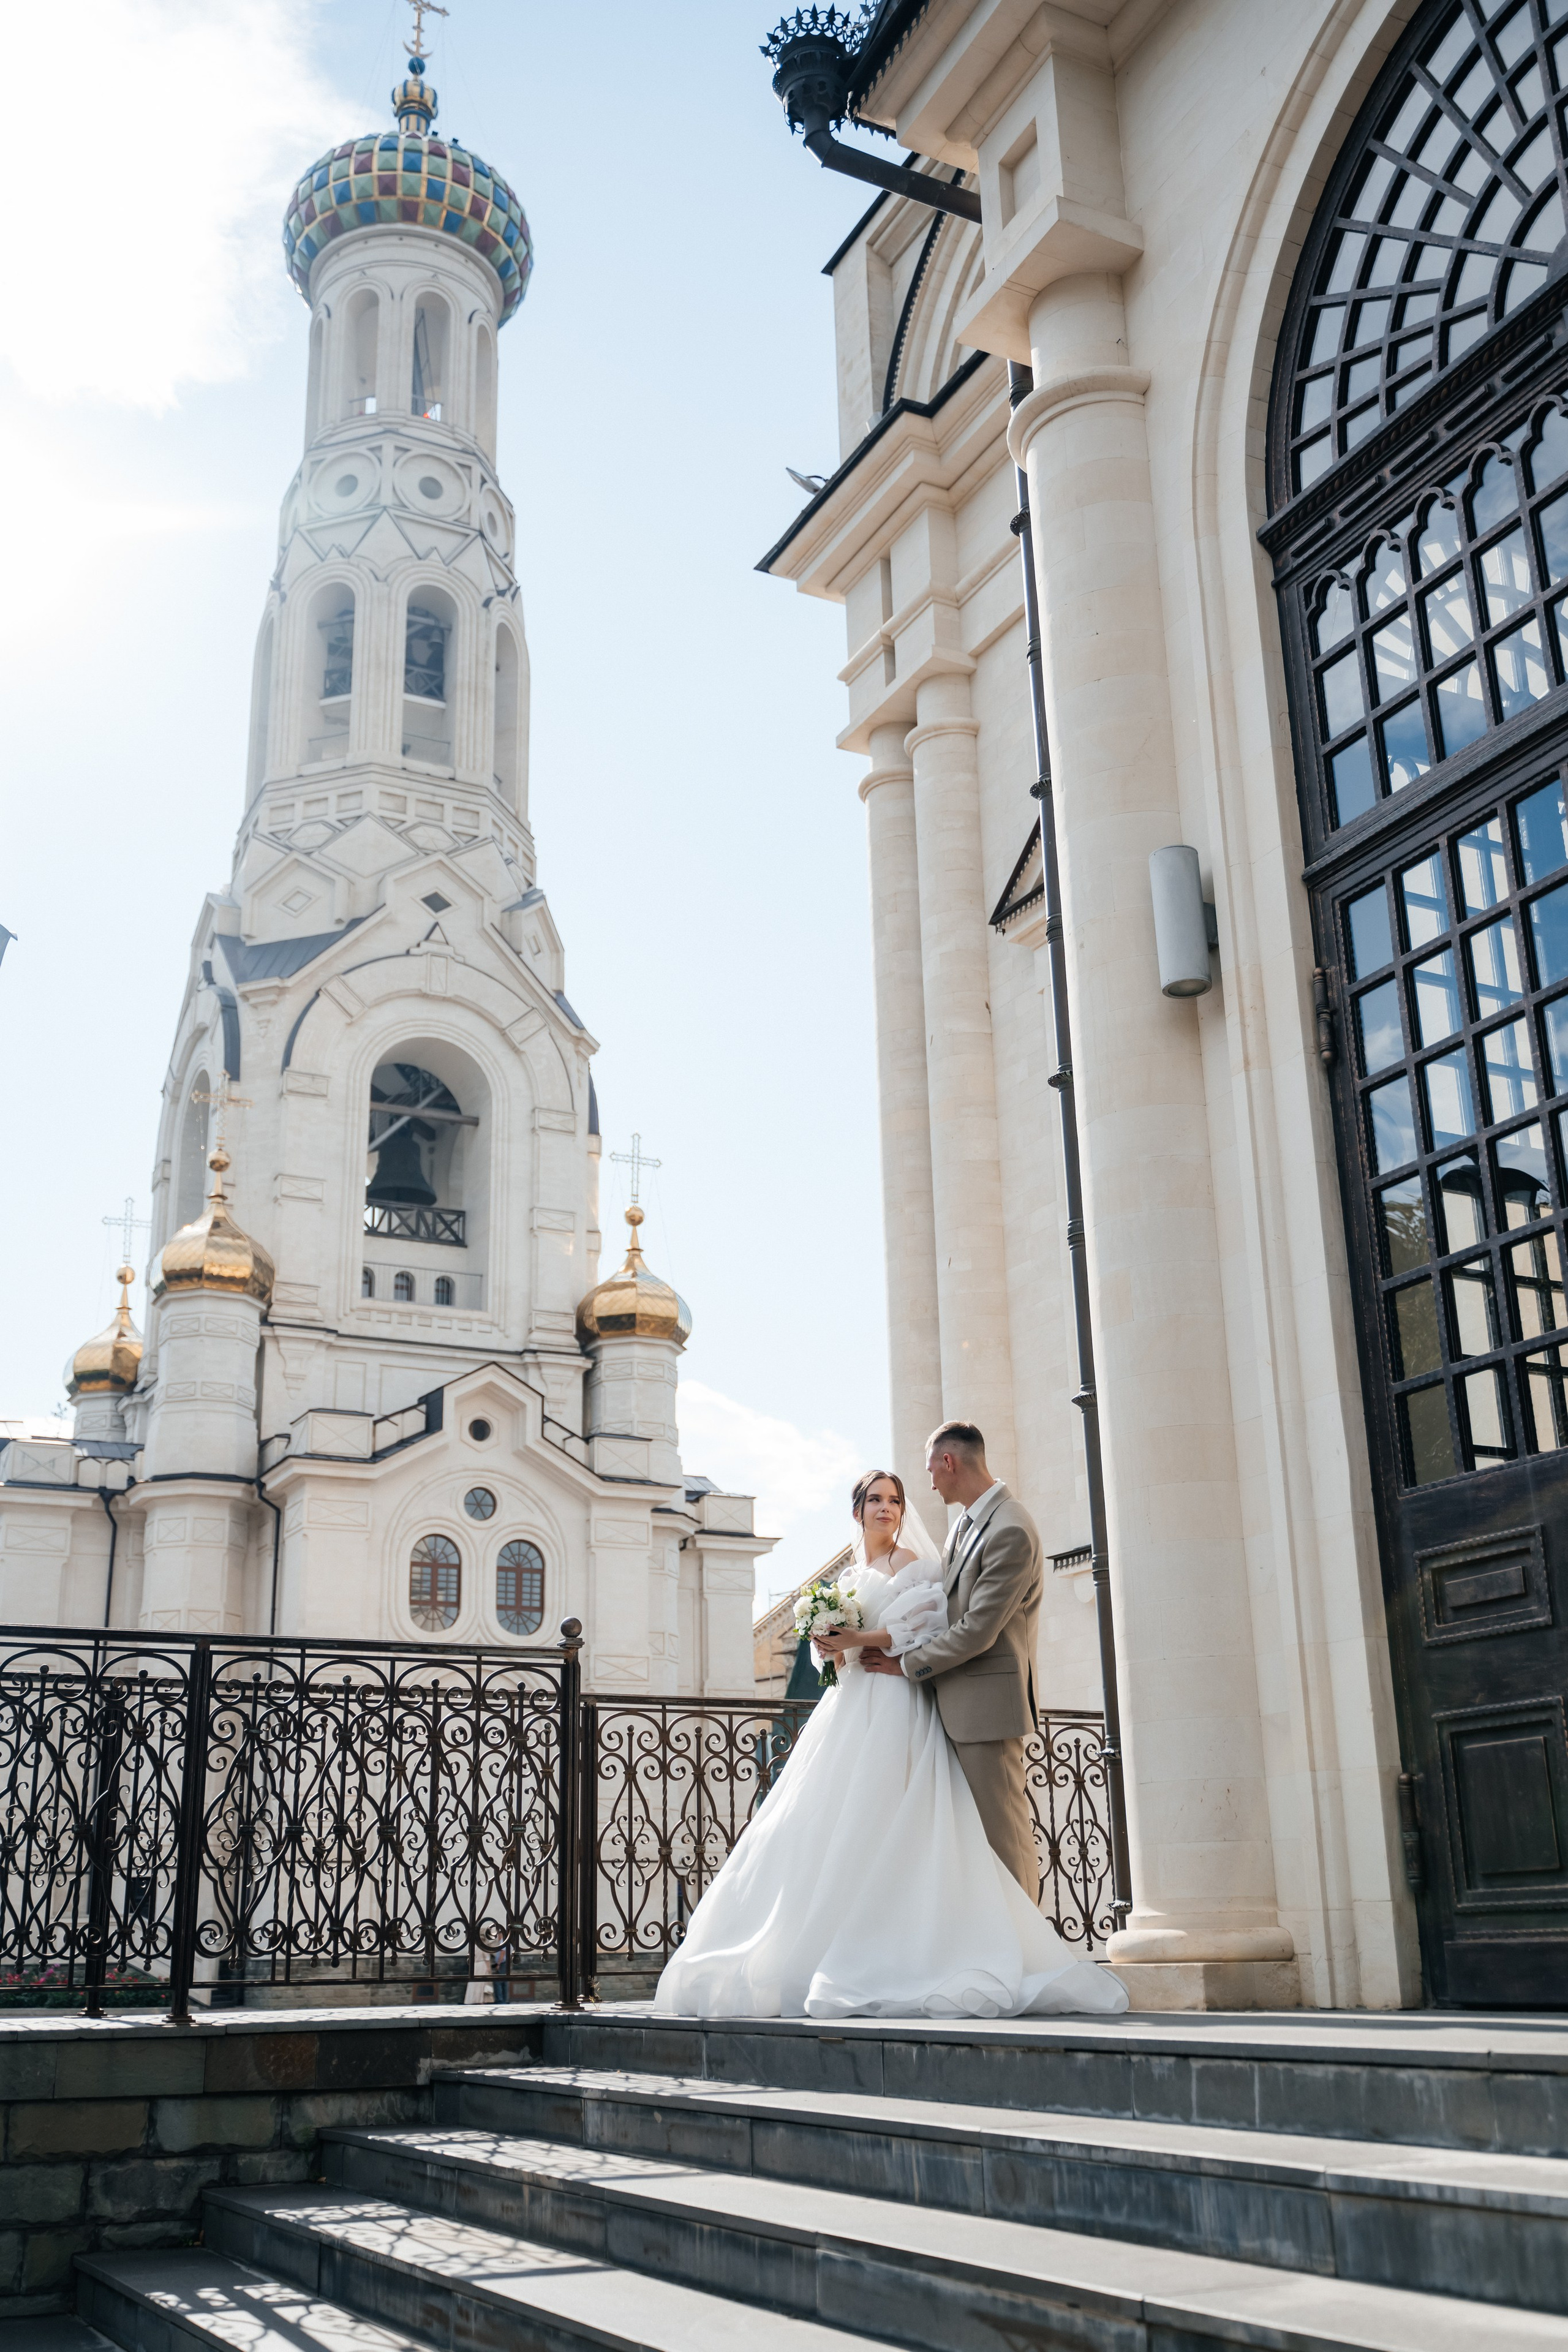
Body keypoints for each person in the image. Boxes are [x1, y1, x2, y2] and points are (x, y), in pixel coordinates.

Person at [653, 1430, 1128, 2020]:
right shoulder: (870, 1567)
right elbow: (849, 1652)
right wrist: (830, 1648)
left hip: (908, 1699)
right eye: (877, 1499)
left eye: (897, 1498)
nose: (892, 1506)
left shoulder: (946, 1551)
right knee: (836, 1825)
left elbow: (940, 1625)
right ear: (856, 1511)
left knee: (955, 1827)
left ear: (944, 1466)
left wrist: (869, 1643)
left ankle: (1008, 1950)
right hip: (857, 1704)